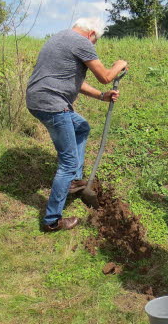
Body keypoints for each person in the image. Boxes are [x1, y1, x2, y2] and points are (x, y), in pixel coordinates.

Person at [26, 17, 128, 232]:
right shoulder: (81, 41)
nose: (93, 46)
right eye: (95, 42)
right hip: (53, 105)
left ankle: (74, 182)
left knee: (81, 127)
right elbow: (105, 76)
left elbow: (75, 81)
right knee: (68, 163)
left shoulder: (58, 38)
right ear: (92, 35)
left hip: (38, 101)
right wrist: (119, 65)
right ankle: (52, 221)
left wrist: (102, 97)